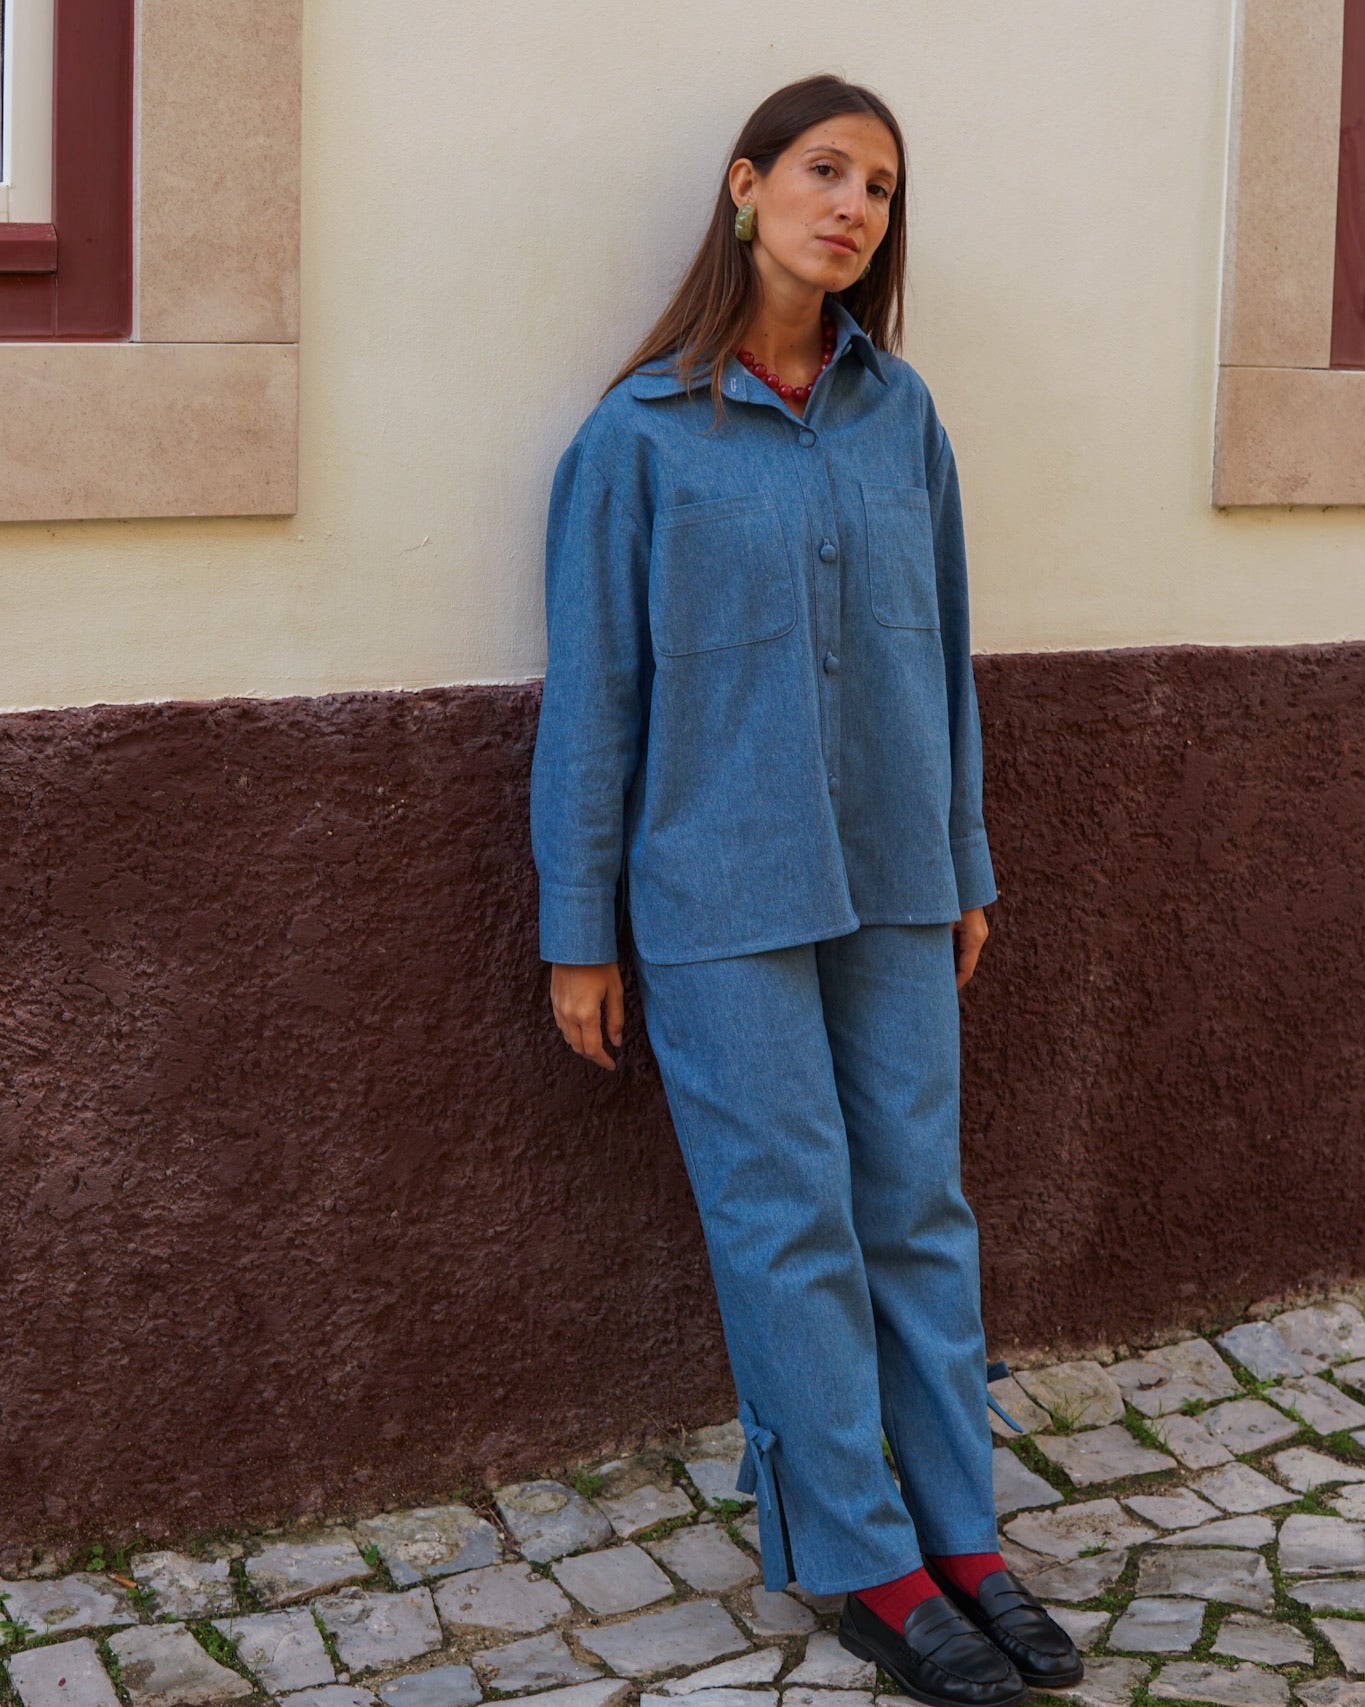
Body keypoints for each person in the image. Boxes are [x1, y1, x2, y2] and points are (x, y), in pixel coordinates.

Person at [528, 73, 1082, 1707]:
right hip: (717, 897)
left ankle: (962, 1536)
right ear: (744, 185)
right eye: (825, 172)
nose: (852, 208)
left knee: (915, 1207)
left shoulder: (900, 417)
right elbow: (594, 701)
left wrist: (963, 863)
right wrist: (578, 933)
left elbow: (945, 652)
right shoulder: (635, 439)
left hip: (898, 878)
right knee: (789, 1227)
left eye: (880, 189)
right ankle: (863, 1561)